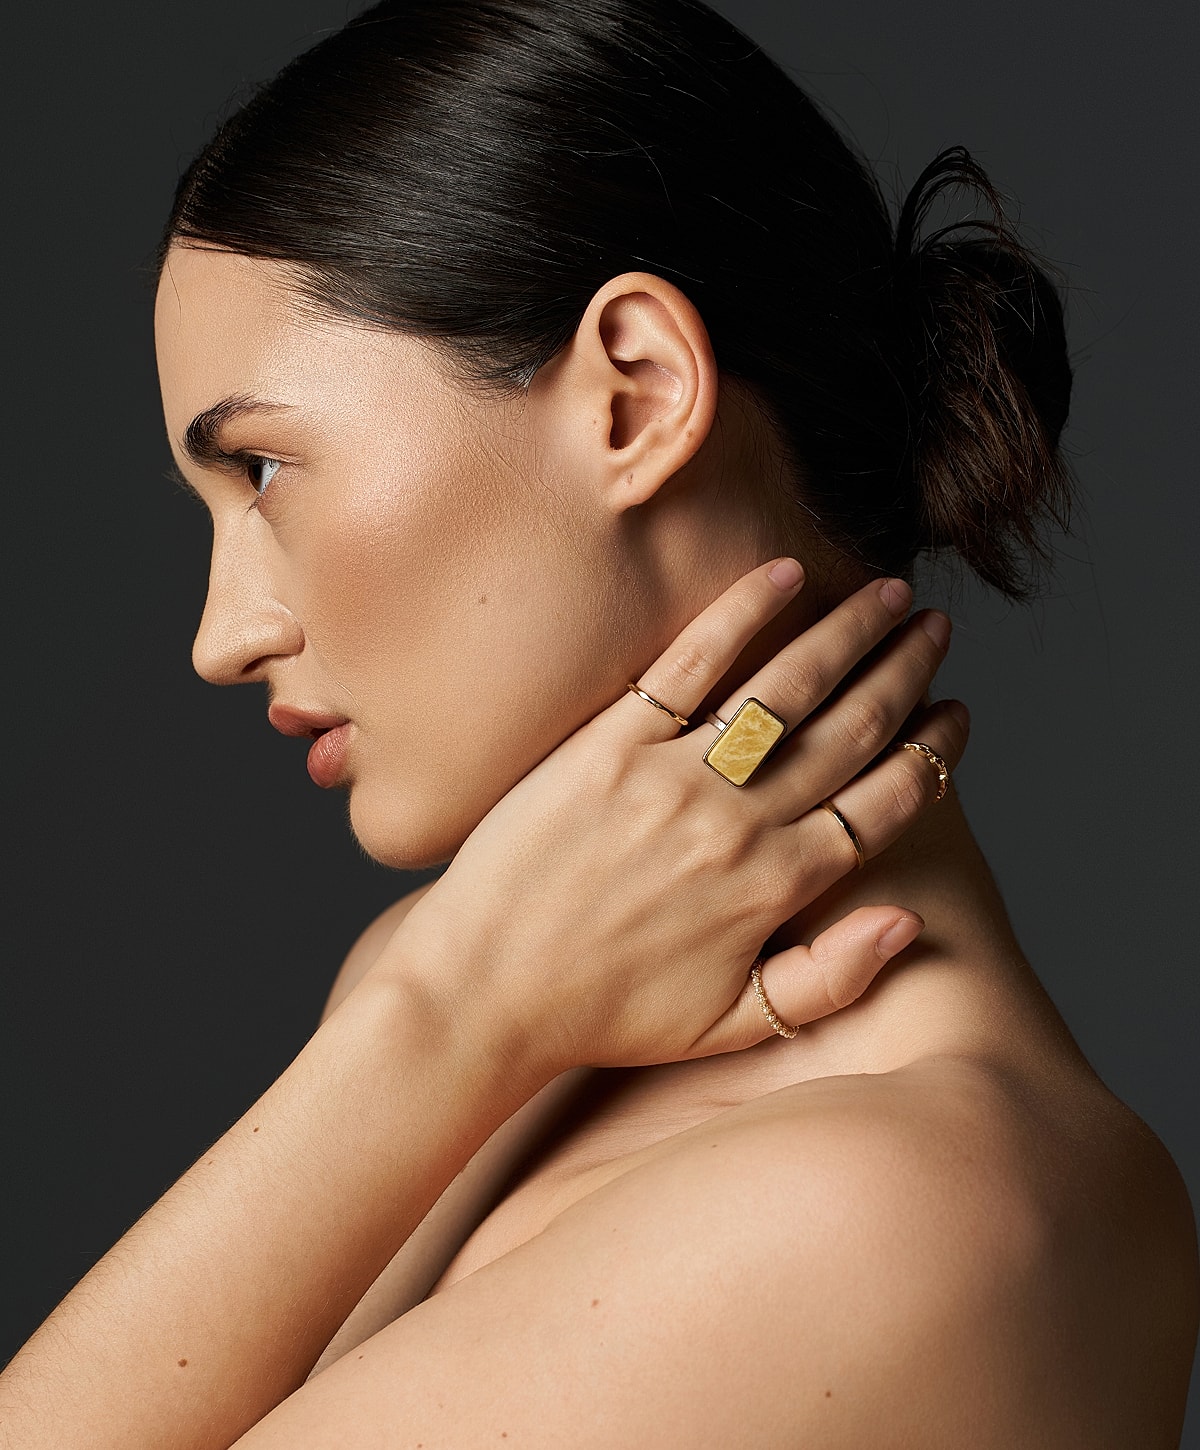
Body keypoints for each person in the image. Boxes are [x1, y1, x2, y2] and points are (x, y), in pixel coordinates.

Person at [3, 0, 1196, 1443]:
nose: (222, 635)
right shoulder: (490, 998)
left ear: (634, 395)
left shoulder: (897, 1204)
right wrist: (453, 1009)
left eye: (261, 472)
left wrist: (444, 1016)